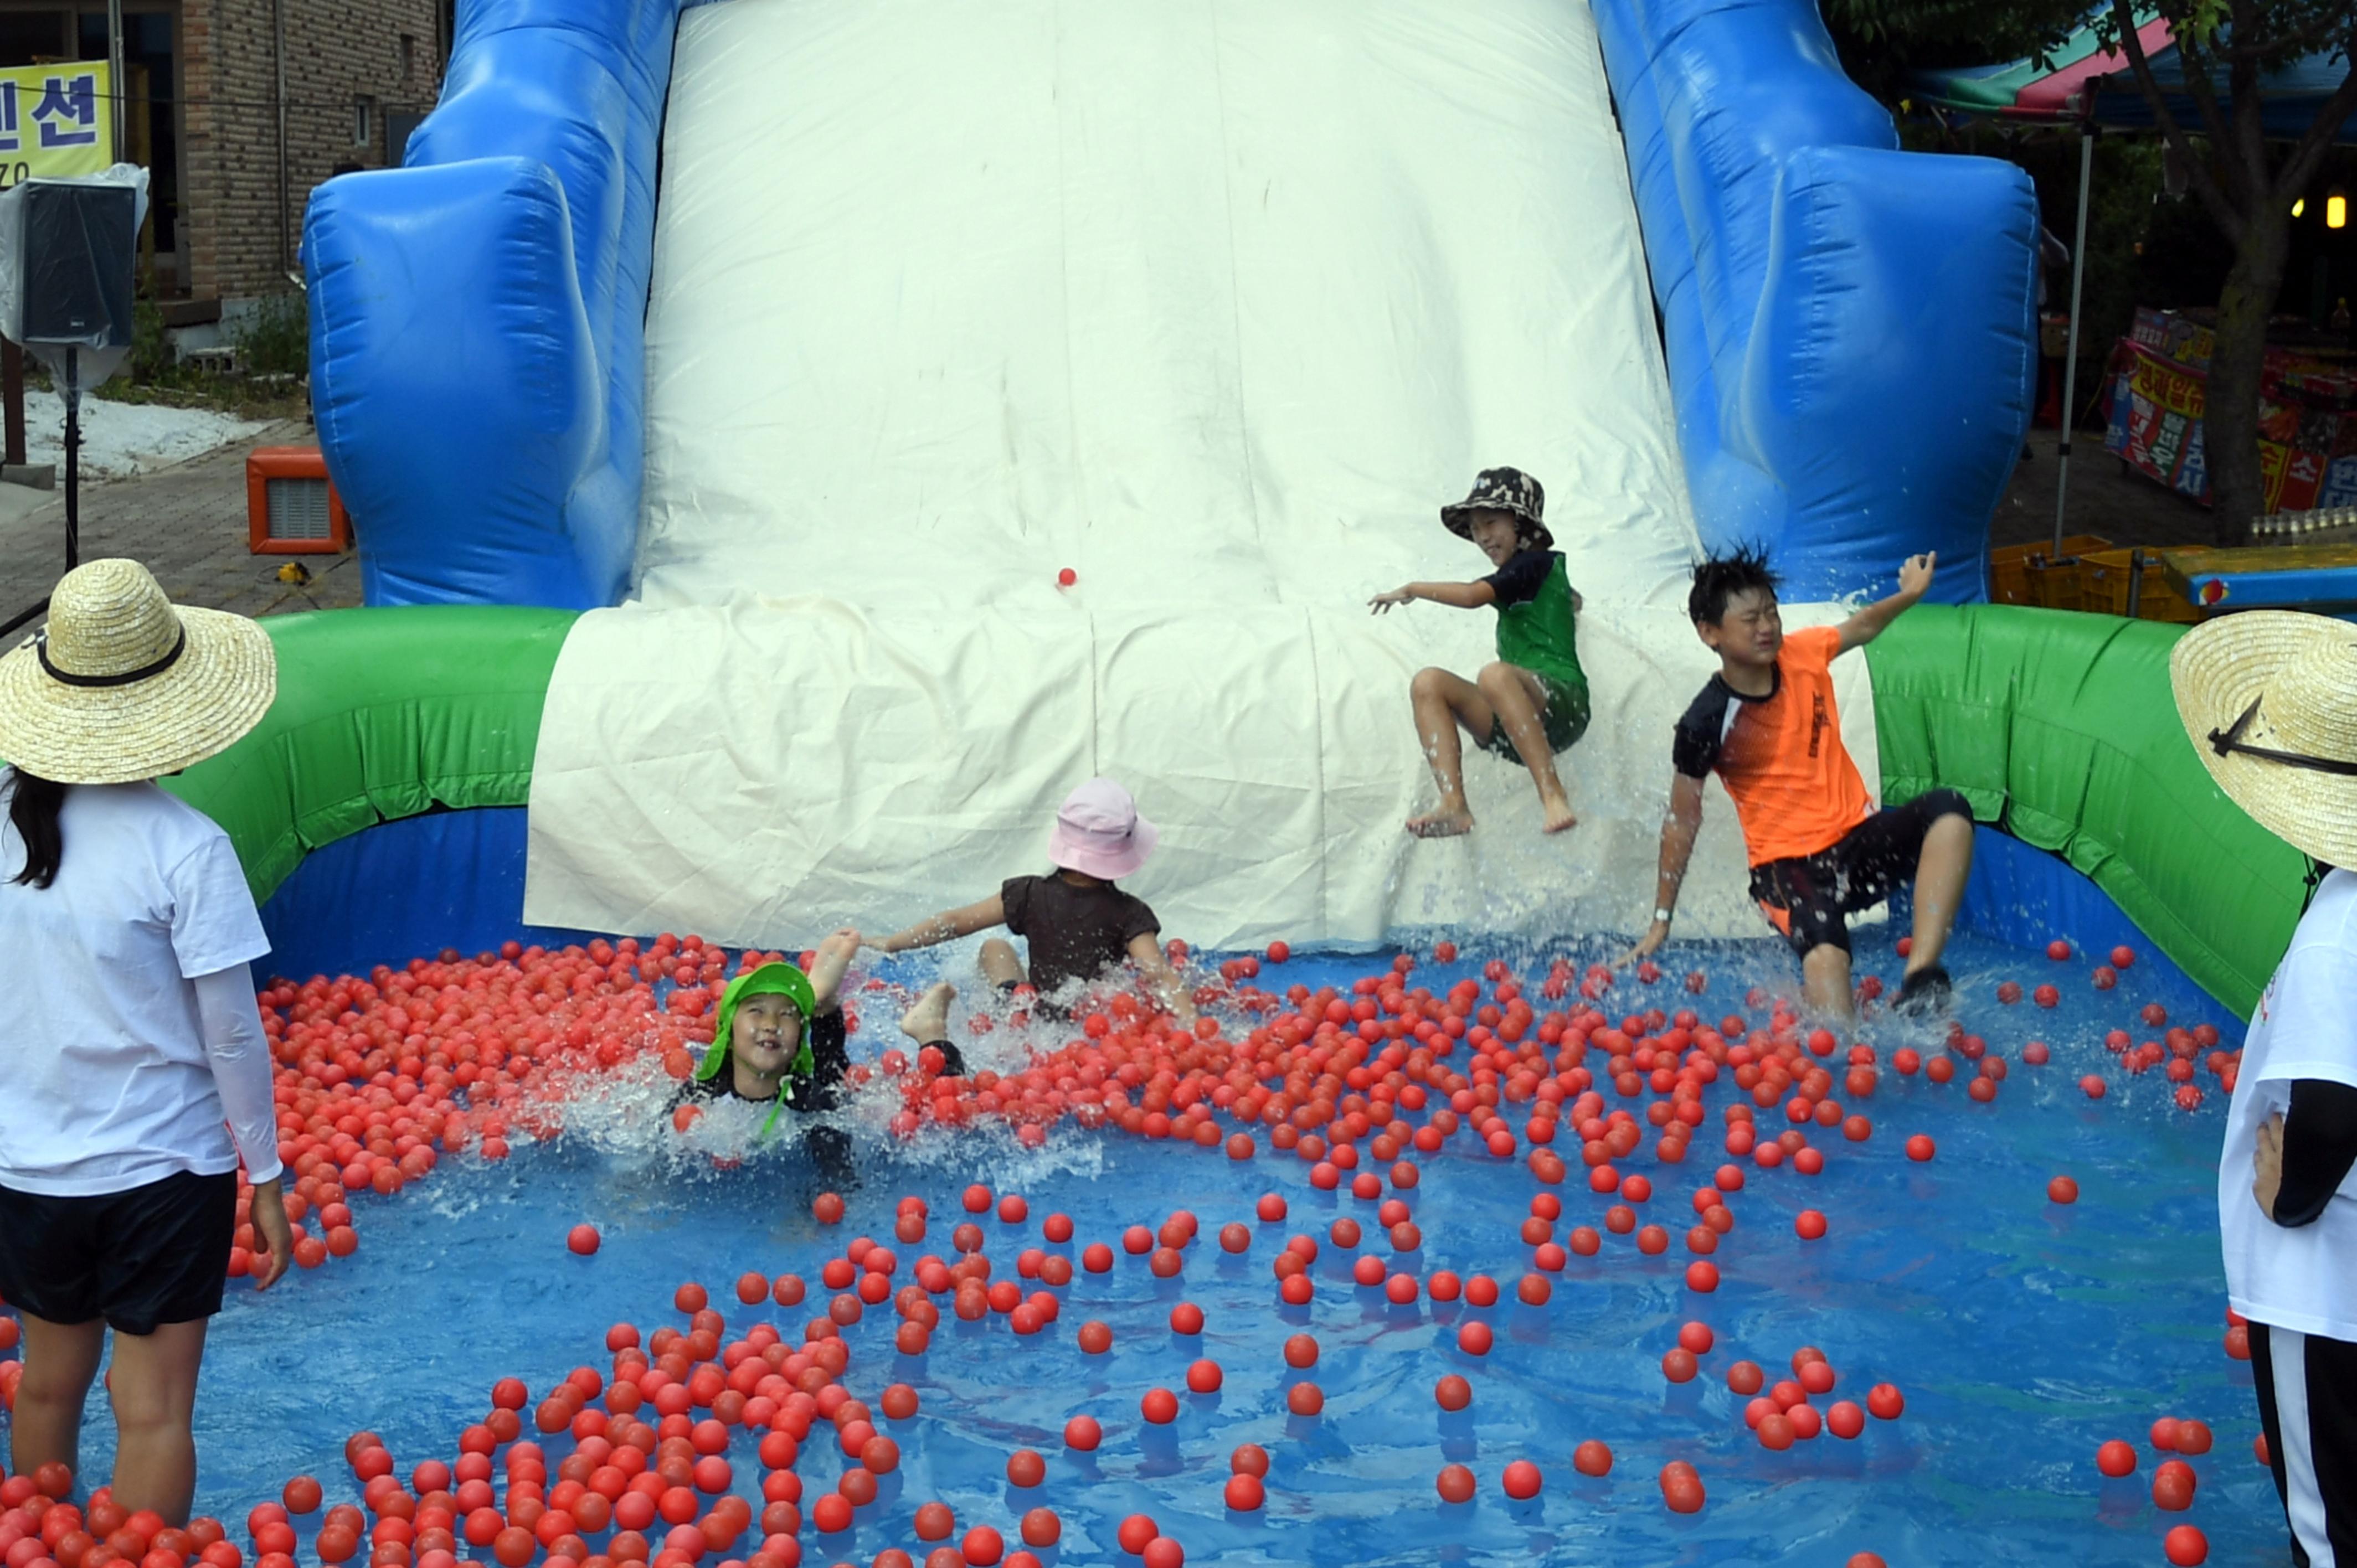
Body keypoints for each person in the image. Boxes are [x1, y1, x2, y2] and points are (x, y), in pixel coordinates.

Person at [0, 559, 294, 1525]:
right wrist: (268, 1175)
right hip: (164, 1172)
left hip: (32, 1171)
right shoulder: (186, 847)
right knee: (153, 1409)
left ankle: (37, 1544)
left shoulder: (9, 833)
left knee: (46, 1387)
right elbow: (232, 1036)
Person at [2171, 611, 2357, 1565]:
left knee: (2327, 1529)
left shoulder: (2340, 925)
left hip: (2330, 1287)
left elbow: (2332, 1106)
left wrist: (2286, 1200)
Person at [1626, 545, 1972, 1018]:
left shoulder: (1803, 654)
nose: (1767, 626)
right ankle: (1839, 1055)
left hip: (1856, 844)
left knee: (1948, 812)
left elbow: (1865, 626)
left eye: (1771, 612)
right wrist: (1661, 921)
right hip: (1787, 870)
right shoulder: (1705, 722)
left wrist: (1911, 594)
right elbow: (1682, 819)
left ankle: (1921, 978)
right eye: (1750, 619)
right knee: (1832, 991)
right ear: (1710, 633)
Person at [1370, 466, 1589, 837]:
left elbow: (1473, 597)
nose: (1482, 537)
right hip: (1516, 725)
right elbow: (1563, 601)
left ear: (1521, 522)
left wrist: (1412, 588)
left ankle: (1552, 794)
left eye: (1490, 523)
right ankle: (1454, 804)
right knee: (1429, 683)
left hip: (1563, 704)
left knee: (1493, 675)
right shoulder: (1525, 578)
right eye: (1474, 530)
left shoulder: (1537, 563)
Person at [871, 777, 1193, 1024]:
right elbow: (1158, 974)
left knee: (993, 948)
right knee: (1113, 992)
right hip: (1089, 1021)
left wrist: (893, 942)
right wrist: (1194, 1029)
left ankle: (1012, 997)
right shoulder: (1131, 913)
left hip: (1036, 1010)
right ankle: (1016, 997)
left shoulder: (1027, 893)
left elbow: (955, 923)